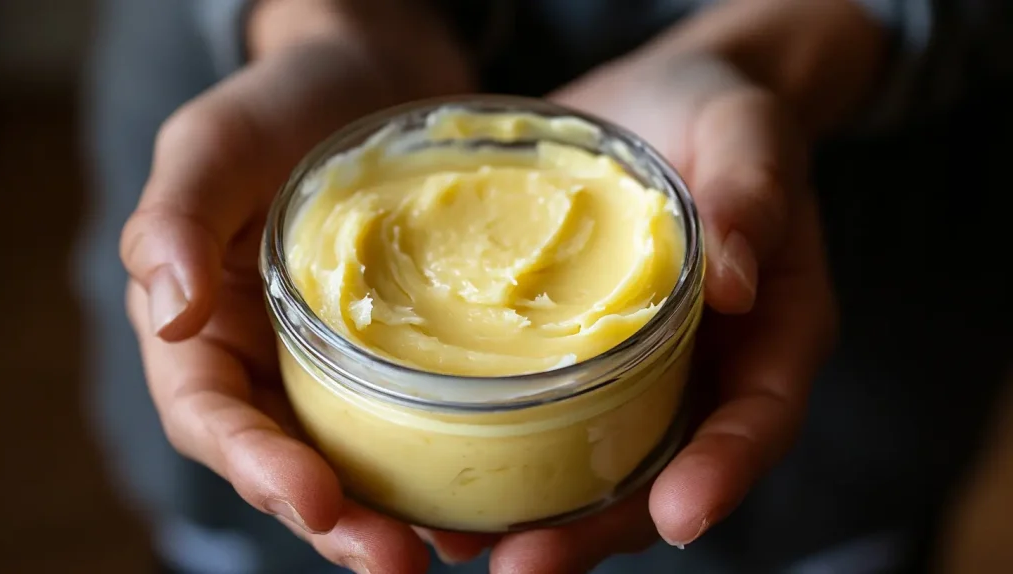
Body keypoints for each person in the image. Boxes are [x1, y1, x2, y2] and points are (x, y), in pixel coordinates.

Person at [76, 0, 1013, 572]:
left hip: (872, 262)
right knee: (245, 538)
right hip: (265, 160)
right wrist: (320, 19)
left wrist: (783, 49)